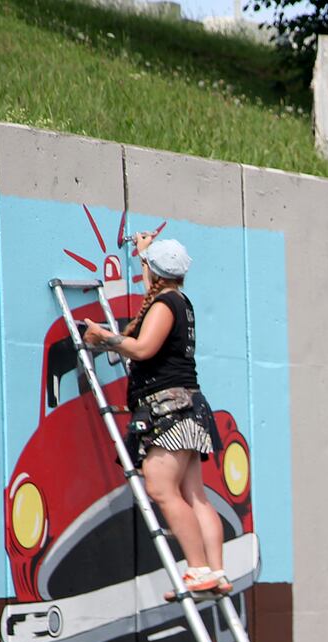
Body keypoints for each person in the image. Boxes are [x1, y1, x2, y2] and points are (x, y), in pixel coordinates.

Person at [82, 232, 228, 599]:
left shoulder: (164, 304)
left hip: (168, 409)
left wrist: (103, 337)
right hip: (188, 407)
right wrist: (145, 252)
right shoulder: (180, 299)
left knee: (161, 488)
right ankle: (216, 572)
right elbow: (154, 280)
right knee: (196, 495)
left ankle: (197, 571)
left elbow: (144, 349)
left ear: (154, 273)